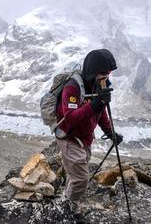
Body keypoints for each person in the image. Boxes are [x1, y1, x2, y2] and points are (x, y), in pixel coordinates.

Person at [55, 48, 123, 210]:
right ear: (94, 70)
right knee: (81, 180)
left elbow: (101, 112)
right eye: (104, 73)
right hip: (70, 138)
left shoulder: (98, 84)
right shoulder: (72, 88)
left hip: (85, 138)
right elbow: (70, 118)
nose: (106, 77)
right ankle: (67, 209)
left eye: (108, 74)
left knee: (77, 176)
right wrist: (96, 103)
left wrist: (109, 132)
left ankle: (68, 199)